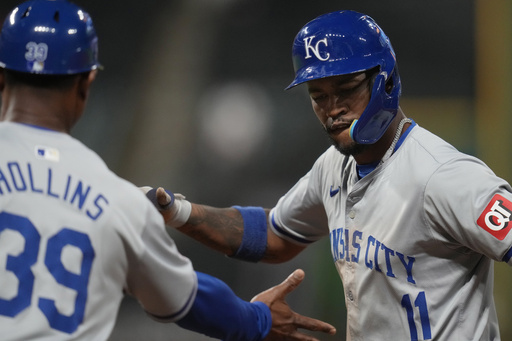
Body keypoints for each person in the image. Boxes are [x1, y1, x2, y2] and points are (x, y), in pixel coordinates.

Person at [145, 9, 512, 341]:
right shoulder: (334, 166)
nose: (333, 109)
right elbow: (273, 235)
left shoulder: (442, 174)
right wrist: (177, 212)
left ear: (385, 81)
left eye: (347, 89)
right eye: (319, 95)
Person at [0, 1, 337, 340]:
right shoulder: (118, 200)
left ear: (1, 78)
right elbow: (188, 297)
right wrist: (258, 318)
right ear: (86, 83)